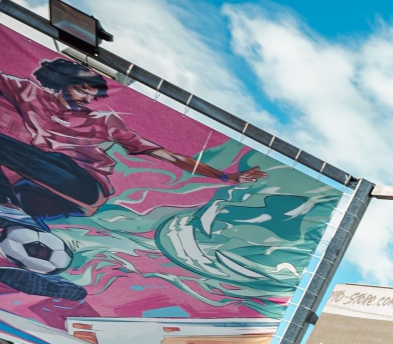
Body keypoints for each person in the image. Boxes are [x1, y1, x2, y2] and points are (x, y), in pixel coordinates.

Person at [0, 58, 264, 222]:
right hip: (49, 192)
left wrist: (225, 176)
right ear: (62, 83)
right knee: (12, 204)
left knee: (43, 158)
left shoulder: (103, 121)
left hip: (83, 185)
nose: (86, 99)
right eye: (81, 90)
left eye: (91, 96)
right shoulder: (28, 92)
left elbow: (169, 156)